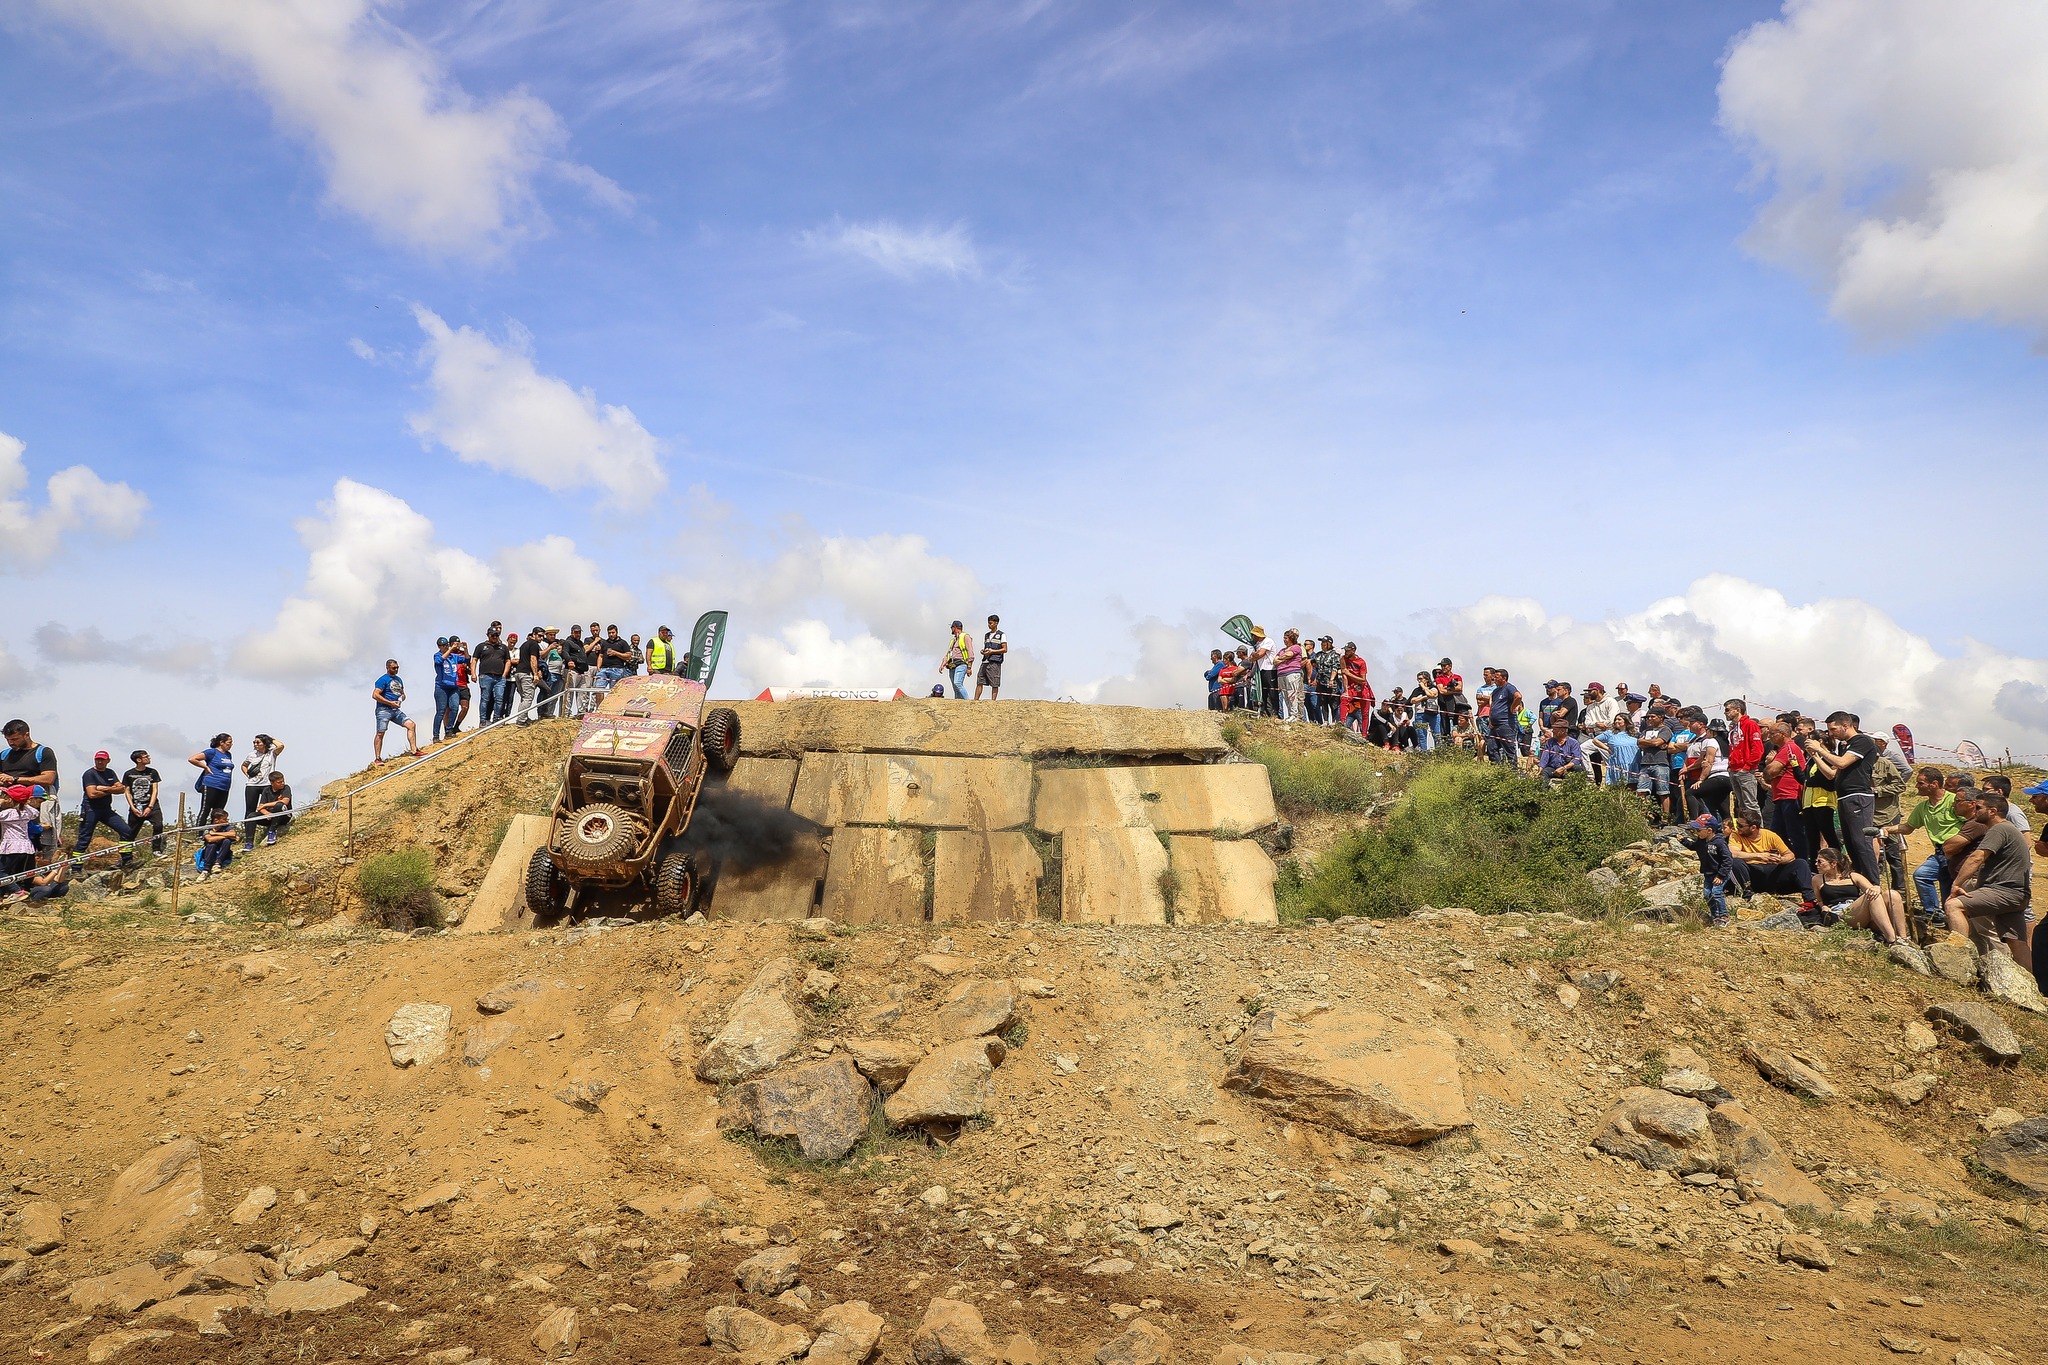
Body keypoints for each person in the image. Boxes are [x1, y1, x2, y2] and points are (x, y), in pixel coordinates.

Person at [1943, 791, 2031, 969]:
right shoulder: (2007, 829)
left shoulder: (1999, 828)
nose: (1974, 810)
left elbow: (1977, 857)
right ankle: (2033, 985)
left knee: (1954, 905)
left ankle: (1957, 961)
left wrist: (1956, 885)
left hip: (2003, 891)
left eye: (1979, 807)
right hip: (2016, 894)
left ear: (1993, 811)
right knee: (2016, 942)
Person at [1806, 710, 1882, 885]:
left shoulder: (1862, 741)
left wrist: (1820, 748)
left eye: (1833, 729)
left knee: (1861, 842)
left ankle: (1873, 884)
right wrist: (1816, 756)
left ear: (1846, 725)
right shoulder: (1844, 745)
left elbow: (1842, 762)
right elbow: (1833, 773)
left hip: (1859, 795)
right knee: (1850, 843)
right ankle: (1858, 882)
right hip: (1843, 796)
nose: (1831, 734)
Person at [1812, 846, 1905, 943]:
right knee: (1871, 896)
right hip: (1842, 914)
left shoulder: (1853, 876)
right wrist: (1824, 907)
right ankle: (1892, 939)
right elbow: (1819, 900)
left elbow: (1872, 889)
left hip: (1860, 910)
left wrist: (1877, 888)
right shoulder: (1817, 879)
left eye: (1820, 861)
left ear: (1833, 863)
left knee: (1892, 894)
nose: (1816, 864)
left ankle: (1903, 938)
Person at [1726, 814, 1817, 908]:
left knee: (1801, 863)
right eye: (1737, 823)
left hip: (1772, 872)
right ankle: (1748, 895)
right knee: (1735, 862)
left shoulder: (1770, 835)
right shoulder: (1735, 835)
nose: (1737, 827)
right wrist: (1760, 856)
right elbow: (1733, 853)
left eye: (1740, 825)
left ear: (1753, 827)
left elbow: (1790, 855)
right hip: (1750, 873)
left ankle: (1810, 899)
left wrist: (1780, 860)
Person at [76, 750, 134, 867]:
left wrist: (104, 788)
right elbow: (92, 794)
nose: (100, 762)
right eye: (98, 759)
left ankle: (127, 861)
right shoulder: (90, 774)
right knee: (84, 838)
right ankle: (76, 868)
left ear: (108, 761)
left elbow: (122, 789)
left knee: (126, 831)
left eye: (102, 760)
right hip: (90, 809)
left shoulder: (110, 773)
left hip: (106, 809)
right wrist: (111, 789)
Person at [1760, 716, 1808, 860]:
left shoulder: (1789, 748)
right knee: (1778, 833)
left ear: (1782, 734)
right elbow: (1768, 773)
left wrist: (1770, 771)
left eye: (1772, 734)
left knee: (1794, 832)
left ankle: (1801, 861)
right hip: (1781, 796)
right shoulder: (1783, 749)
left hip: (1790, 796)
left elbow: (1769, 772)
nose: (1769, 737)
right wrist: (1769, 772)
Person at [1684, 814, 1740, 928]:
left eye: (1698, 830)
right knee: (1707, 894)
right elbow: (1692, 846)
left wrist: (1721, 875)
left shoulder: (1719, 842)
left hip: (1719, 874)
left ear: (1709, 830)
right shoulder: (1701, 841)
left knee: (1716, 893)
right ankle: (1715, 916)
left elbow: (1728, 859)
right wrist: (1683, 841)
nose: (1696, 833)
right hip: (1708, 873)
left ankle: (1724, 916)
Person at [1681, 708, 1733, 822]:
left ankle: (1694, 821)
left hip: (1716, 776)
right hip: (1728, 777)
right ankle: (1726, 830)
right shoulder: (1727, 743)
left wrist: (1701, 780)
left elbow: (1708, 761)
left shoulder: (1711, 741)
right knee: (1722, 807)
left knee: (1691, 793)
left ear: (1712, 731)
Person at [238, 734, 285, 852]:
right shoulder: (251, 755)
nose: (255, 744)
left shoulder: (271, 753)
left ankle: (270, 830)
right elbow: (244, 765)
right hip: (252, 785)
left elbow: (281, 745)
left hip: (266, 784)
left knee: (269, 807)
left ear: (265, 743)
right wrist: (247, 774)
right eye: (254, 742)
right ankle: (248, 839)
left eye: (258, 742)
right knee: (250, 810)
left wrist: (270, 739)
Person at [1722, 700, 1765, 823]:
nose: (1725, 713)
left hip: (1746, 770)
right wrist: (1730, 766)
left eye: (1728, 710)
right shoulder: (1734, 728)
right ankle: (1746, 830)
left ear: (1738, 710)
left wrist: (1747, 766)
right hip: (1734, 769)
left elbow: (1758, 748)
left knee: (1751, 804)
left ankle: (1759, 831)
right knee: (1742, 805)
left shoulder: (1750, 724)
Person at [1635, 705, 1675, 823]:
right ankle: (1641, 817)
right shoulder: (1646, 730)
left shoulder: (1665, 730)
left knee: (1663, 792)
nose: (1649, 719)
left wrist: (1646, 742)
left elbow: (1658, 742)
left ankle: (1666, 818)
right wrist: (1650, 743)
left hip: (1661, 763)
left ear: (1661, 717)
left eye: (1652, 716)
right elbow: (1640, 744)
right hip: (1645, 764)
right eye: (1648, 717)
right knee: (1642, 791)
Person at [373, 661, 420, 761]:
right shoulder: (383, 680)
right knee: (380, 733)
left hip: (395, 709)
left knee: (411, 725)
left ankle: (414, 750)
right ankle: (377, 758)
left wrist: (401, 698)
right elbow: (375, 695)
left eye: (397, 668)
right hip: (383, 710)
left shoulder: (398, 679)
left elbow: (402, 693)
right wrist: (390, 703)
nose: (396, 670)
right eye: (394, 668)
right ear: (388, 668)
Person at [122, 749, 165, 856]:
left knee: (158, 825)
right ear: (139, 760)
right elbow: (127, 791)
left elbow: (155, 790)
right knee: (130, 832)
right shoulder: (128, 774)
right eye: (146, 756)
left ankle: (156, 849)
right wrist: (132, 807)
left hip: (152, 805)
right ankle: (126, 856)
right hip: (136, 806)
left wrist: (150, 806)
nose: (149, 758)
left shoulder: (153, 772)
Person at [189, 733, 234, 828]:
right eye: (229, 742)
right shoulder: (212, 752)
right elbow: (192, 759)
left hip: (224, 787)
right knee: (205, 809)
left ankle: (214, 832)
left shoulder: (228, 755)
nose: (231, 745)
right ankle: (199, 834)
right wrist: (205, 767)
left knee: (218, 812)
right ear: (221, 742)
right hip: (211, 784)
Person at [1587, 713, 1640, 788]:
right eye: (1615, 719)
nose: (1616, 721)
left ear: (1626, 721)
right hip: (1618, 763)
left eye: (1619, 719)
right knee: (1618, 787)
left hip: (1633, 763)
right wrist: (1607, 748)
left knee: (1632, 787)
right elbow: (1595, 740)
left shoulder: (1635, 734)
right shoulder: (1610, 733)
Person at [1485, 667, 1524, 766]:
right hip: (1494, 725)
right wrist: (1490, 720)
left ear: (1504, 678)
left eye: (1497, 677)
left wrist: (1513, 706)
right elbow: (1492, 705)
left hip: (1506, 724)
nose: (1494, 679)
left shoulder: (1508, 687)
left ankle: (1512, 773)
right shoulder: (1495, 691)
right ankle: (1498, 770)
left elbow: (1518, 696)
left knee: (1509, 749)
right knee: (1491, 746)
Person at [474, 623, 512, 727]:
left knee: (499, 698)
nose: (495, 637)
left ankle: (497, 719)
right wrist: (473, 673)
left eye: (497, 635)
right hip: (485, 676)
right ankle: (483, 720)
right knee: (485, 698)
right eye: (493, 635)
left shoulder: (503, 647)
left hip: (500, 677)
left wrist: (504, 674)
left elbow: (508, 661)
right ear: (488, 635)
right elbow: (474, 660)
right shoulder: (481, 646)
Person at [0, 785, 36, 890]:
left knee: (1, 872)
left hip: (11, 847)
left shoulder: (9, 813)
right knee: (11, 871)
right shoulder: (27, 812)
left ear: (10, 799)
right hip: (25, 847)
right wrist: (24, 803)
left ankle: (17, 891)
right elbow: (35, 813)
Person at [431, 636, 466, 740]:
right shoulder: (437, 655)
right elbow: (439, 661)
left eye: (447, 645)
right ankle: (436, 735)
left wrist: (465, 648)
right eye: (443, 645)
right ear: (439, 647)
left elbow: (467, 659)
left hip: (453, 686)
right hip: (441, 687)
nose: (446, 647)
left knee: (454, 707)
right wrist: (450, 649)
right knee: (441, 711)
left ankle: (449, 731)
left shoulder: (453, 656)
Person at [1274, 629, 1307, 723]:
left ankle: (1294, 714)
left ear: (1291, 638)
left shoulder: (1296, 647)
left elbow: (1288, 655)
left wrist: (1282, 658)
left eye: (1286, 638)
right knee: (1285, 695)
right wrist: (1283, 658)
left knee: (1292, 694)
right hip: (1281, 673)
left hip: (1292, 672)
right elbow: (1275, 661)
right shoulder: (1282, 650)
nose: (1284, 640)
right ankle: (1290, 714)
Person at [559, 627, 591, 720]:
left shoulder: (580, 643)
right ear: (572, 632)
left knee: (583, 692)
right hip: (573, 670)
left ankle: (581, 713)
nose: (578, 634)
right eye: (576, 632)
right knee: (569, 692)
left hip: (582, 671)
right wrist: (569, 660)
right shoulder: (567, 642)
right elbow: (564, 652)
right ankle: (566, 713)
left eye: (579, 632)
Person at [254, 771, 293, 845]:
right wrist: (267, 813)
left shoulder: (286, 788)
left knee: (279, 805)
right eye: (279, 782)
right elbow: (260, 807)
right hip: (270, 817)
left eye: (283, 781)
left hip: (284, 816)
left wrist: (266, 805)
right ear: (272, 783)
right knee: (251, 816)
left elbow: (285, 801)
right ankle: (249, 843)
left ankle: (272, 831)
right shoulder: (266, 790)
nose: (282, 783)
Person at [515, 628, 545, 724]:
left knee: (524, 698)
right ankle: (521, 720)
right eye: (539, 635)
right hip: (526, 674)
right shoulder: (533, 644)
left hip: (519, 672)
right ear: (534, 634)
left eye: (542, 636)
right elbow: (533, 659)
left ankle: (523, 718)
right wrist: (535, 674)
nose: (541, 638)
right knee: (528, 698)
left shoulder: (524, 644)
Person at [1340, 644, 1371, 734]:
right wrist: (1346, 690)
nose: (1346, 652)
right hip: (1351, 687)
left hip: (1362, 687)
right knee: (1344, 698)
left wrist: (1349, 674)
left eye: (1348, 650)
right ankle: (1342, 723)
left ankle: (1364, 734)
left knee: (1365, 712)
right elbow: (1344, 674)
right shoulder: (1343, 659)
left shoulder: (1361, 662)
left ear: (1353, 650)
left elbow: (1363, 680)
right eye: (1345, 650)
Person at [197, 808, 236, 879]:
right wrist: (225, 836)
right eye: (224, 819)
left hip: (223, 852)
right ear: (216, 820)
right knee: (212, 844)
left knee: (227, 841)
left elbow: (233, 834)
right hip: (210, 852)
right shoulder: (208, 828)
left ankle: (217, 864)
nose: (226, 821)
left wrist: (215, 834)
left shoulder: (226, 827)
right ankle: (206, 869)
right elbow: (210, 839)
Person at [975, 615, 1007, 700]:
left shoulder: (1001, 635)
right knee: (980, 680)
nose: (989, 625)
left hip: (995, 662)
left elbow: (1004, 649)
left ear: (996, 623)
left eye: (990, 623)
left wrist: (992, 651)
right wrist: (984, 651)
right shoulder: (986, 635)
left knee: (994, 682)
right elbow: (986, 647)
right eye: (988, 623)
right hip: (985, 660)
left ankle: (993, 701)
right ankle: (975, 700)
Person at [1312, 638, 1342, 726]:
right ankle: (1325, 720)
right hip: (1321, 682)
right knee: (1323, 701)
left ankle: (1334, 721)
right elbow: (1314, 663)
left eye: (1324, 643)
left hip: (1332, 682)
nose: (1322, 644)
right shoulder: (1318, 655)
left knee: (1333, 703)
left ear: (1329, 644)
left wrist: (1332, 679)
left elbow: (1335, 667)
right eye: (1322, 643)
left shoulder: (1334, 654)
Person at [942, 621, 973, 700]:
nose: (951, 629)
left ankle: (967, 701)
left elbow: (970, 652)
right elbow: (948, 653)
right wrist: (943, 663)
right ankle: (958, 703)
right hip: (952, 665)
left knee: (957, 683)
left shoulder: (965, 637)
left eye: (952, 627)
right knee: (955, 686)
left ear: (955, 627)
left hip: (961, 663)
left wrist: (969, 667)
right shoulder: (953, 640)